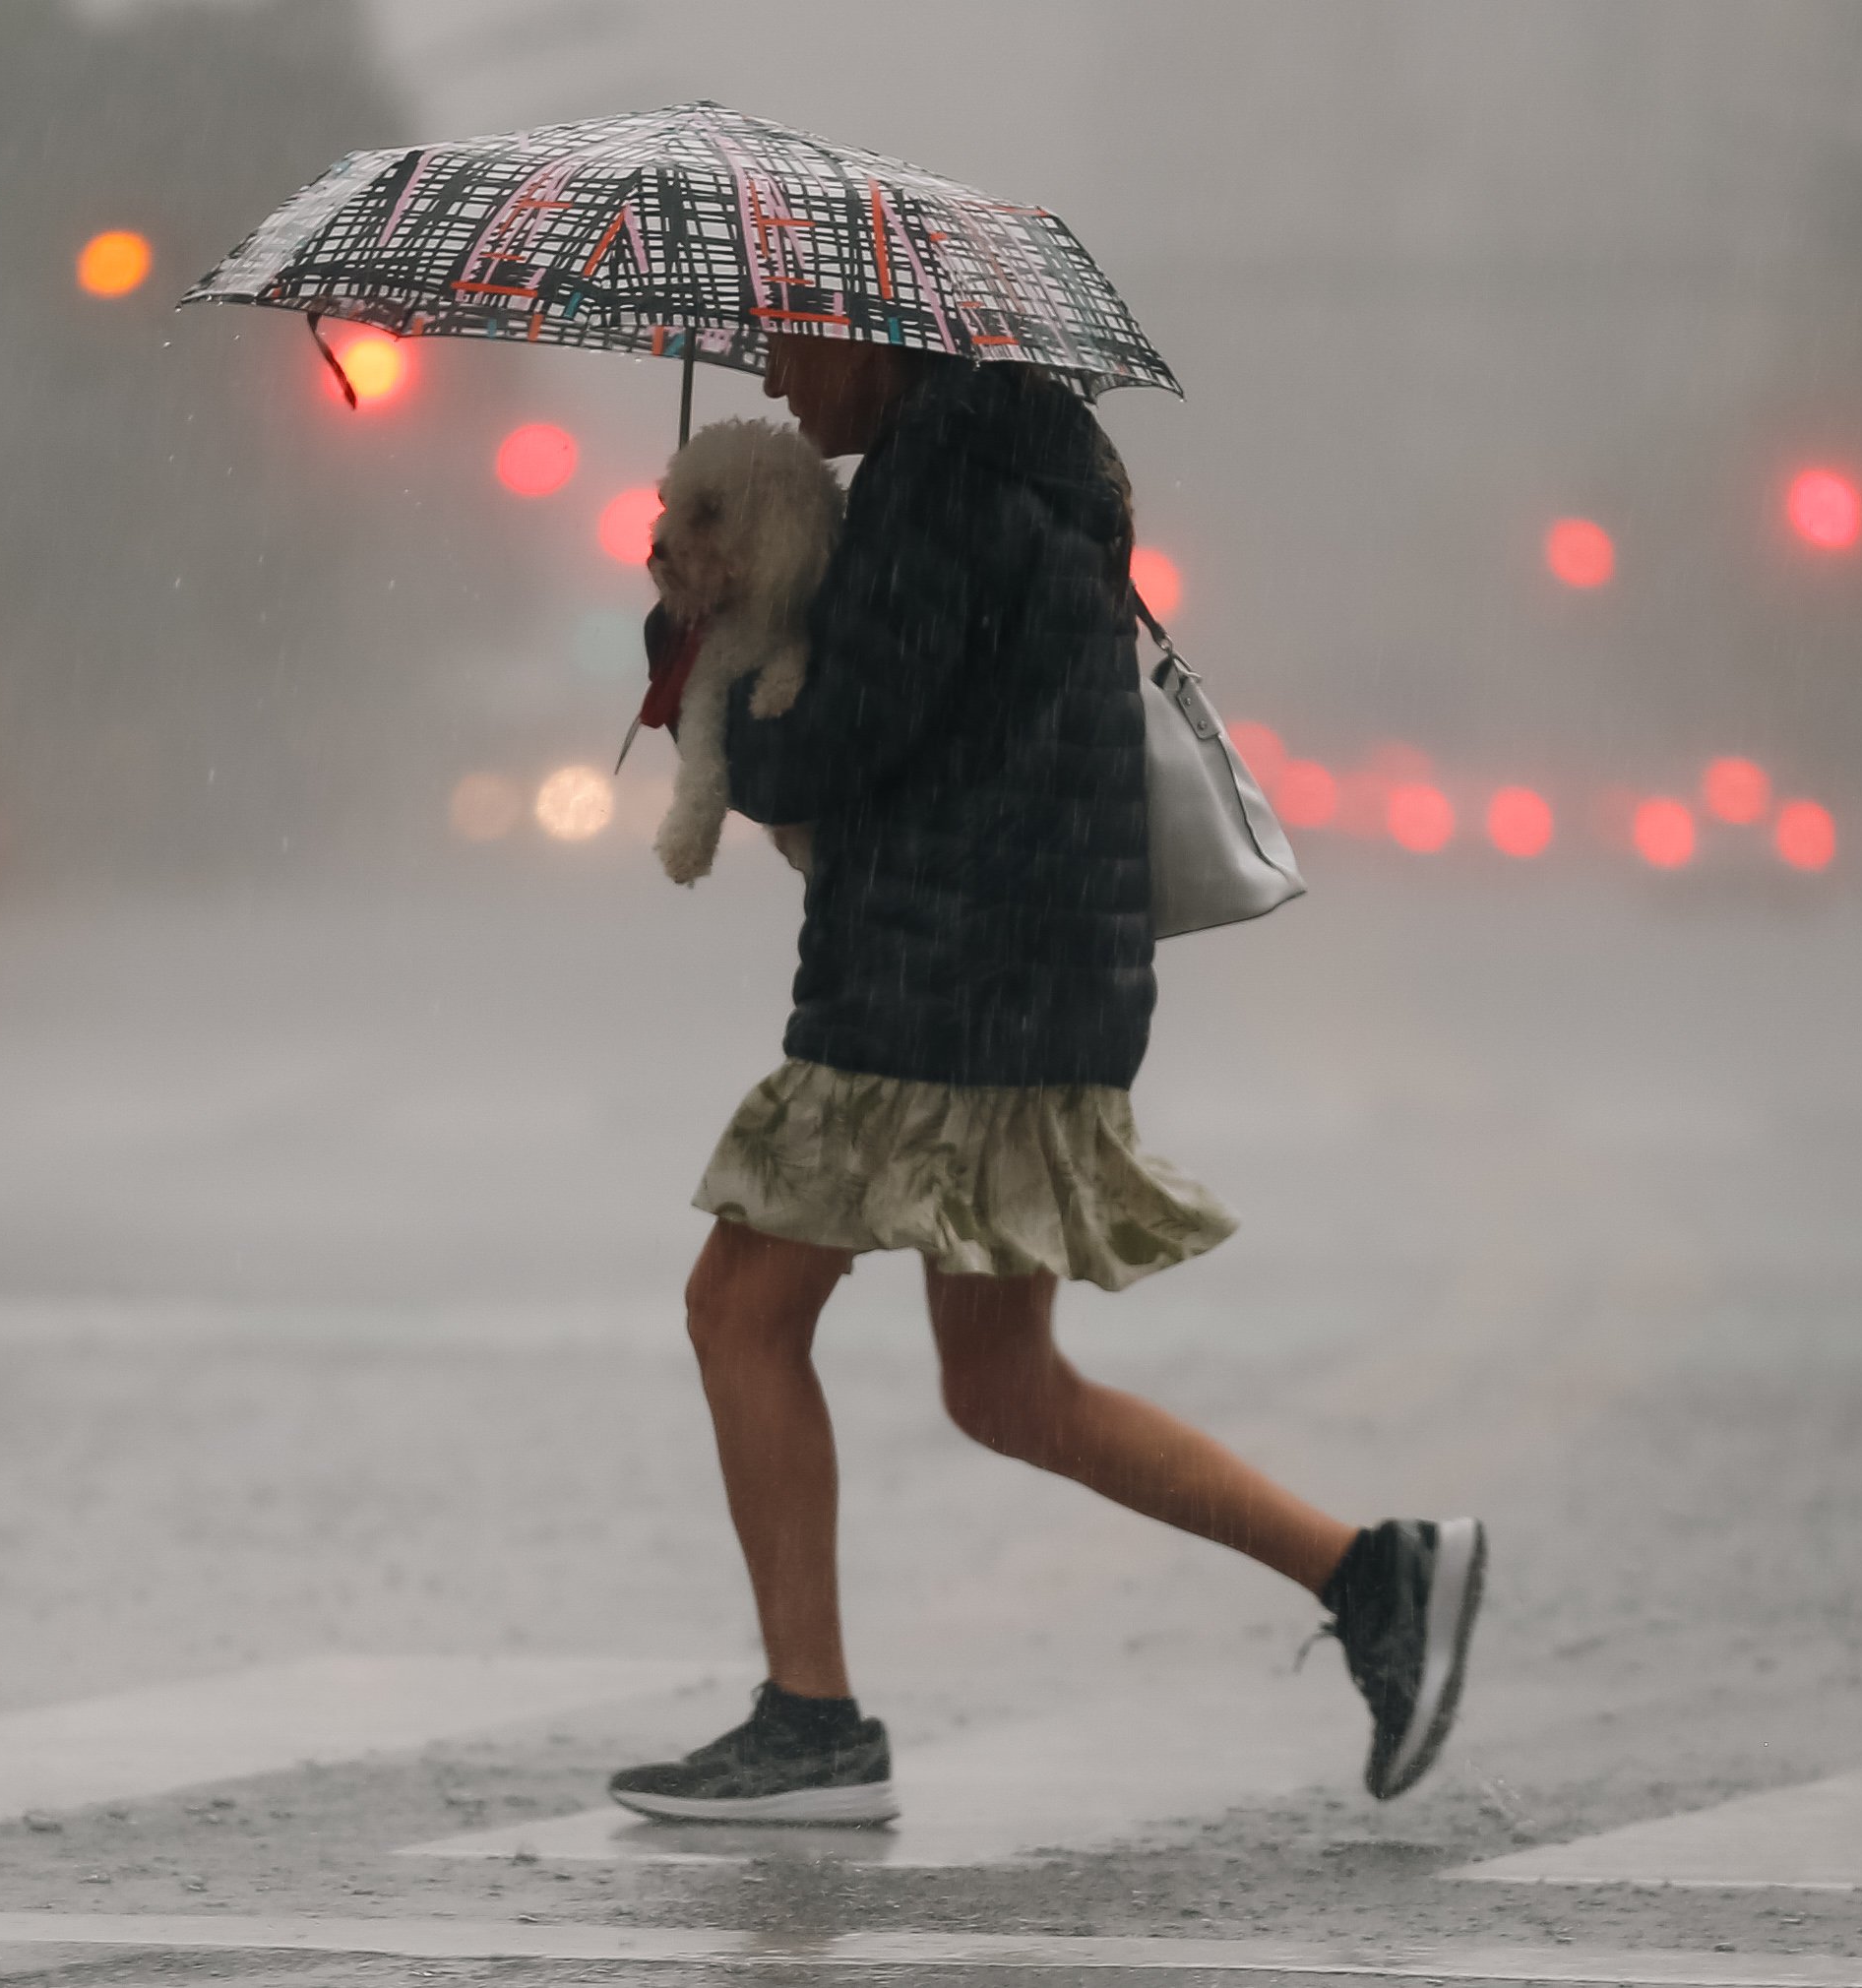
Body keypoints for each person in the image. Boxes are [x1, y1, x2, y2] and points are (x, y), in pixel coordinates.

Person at [606, 331, 1485, 1826]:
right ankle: (1376, 1575)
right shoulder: (1025, 460)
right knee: (1006, 1387)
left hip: (938, 987)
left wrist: (692, 662)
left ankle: (811, 1726)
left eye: (798, 336)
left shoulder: (939, 477)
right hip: (1027, 980)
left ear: (880, 335)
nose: (774, 373)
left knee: (737, 1310)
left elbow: (841, 743)